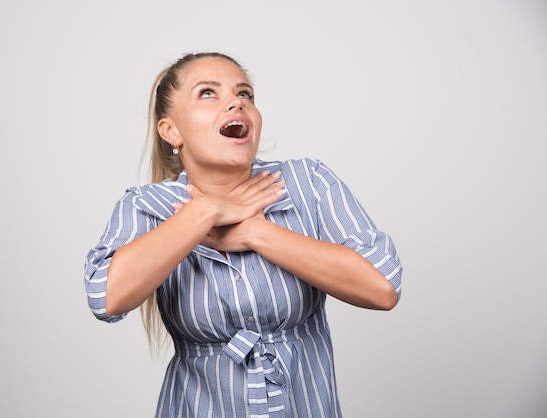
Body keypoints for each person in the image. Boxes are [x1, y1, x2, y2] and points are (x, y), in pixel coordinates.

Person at [84, 51, 402, 418]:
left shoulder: (308, 183)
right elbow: (104, 297)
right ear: (171, 131)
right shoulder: (148, 206)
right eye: (208, 93)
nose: (235, 102)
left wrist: (254, 232)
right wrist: (207, 211)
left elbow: (382, 286)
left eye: (245, 94)